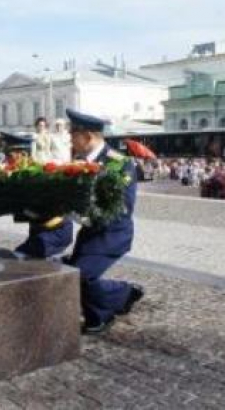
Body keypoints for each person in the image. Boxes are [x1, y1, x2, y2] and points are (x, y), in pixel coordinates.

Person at [64, 108, 143, 335]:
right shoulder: (79, 161)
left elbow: (122, 208)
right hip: (90, 233)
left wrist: (84, 215)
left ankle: (116, 301)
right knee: (73, 275)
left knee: (82, 275)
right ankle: (106, 309)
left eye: (73, 135)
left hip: (112, 234)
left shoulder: (119, 163)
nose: (70, 139)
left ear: (87, 136)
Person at [0, 132, 73, 260]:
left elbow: (46, 210)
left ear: (23, 155)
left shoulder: (38, 176)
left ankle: (67, 264)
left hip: (56, 231)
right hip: (39, 231)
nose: (6, 159)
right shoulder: (18, 175)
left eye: (10, 155)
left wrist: (16, 206)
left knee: (19, 257)